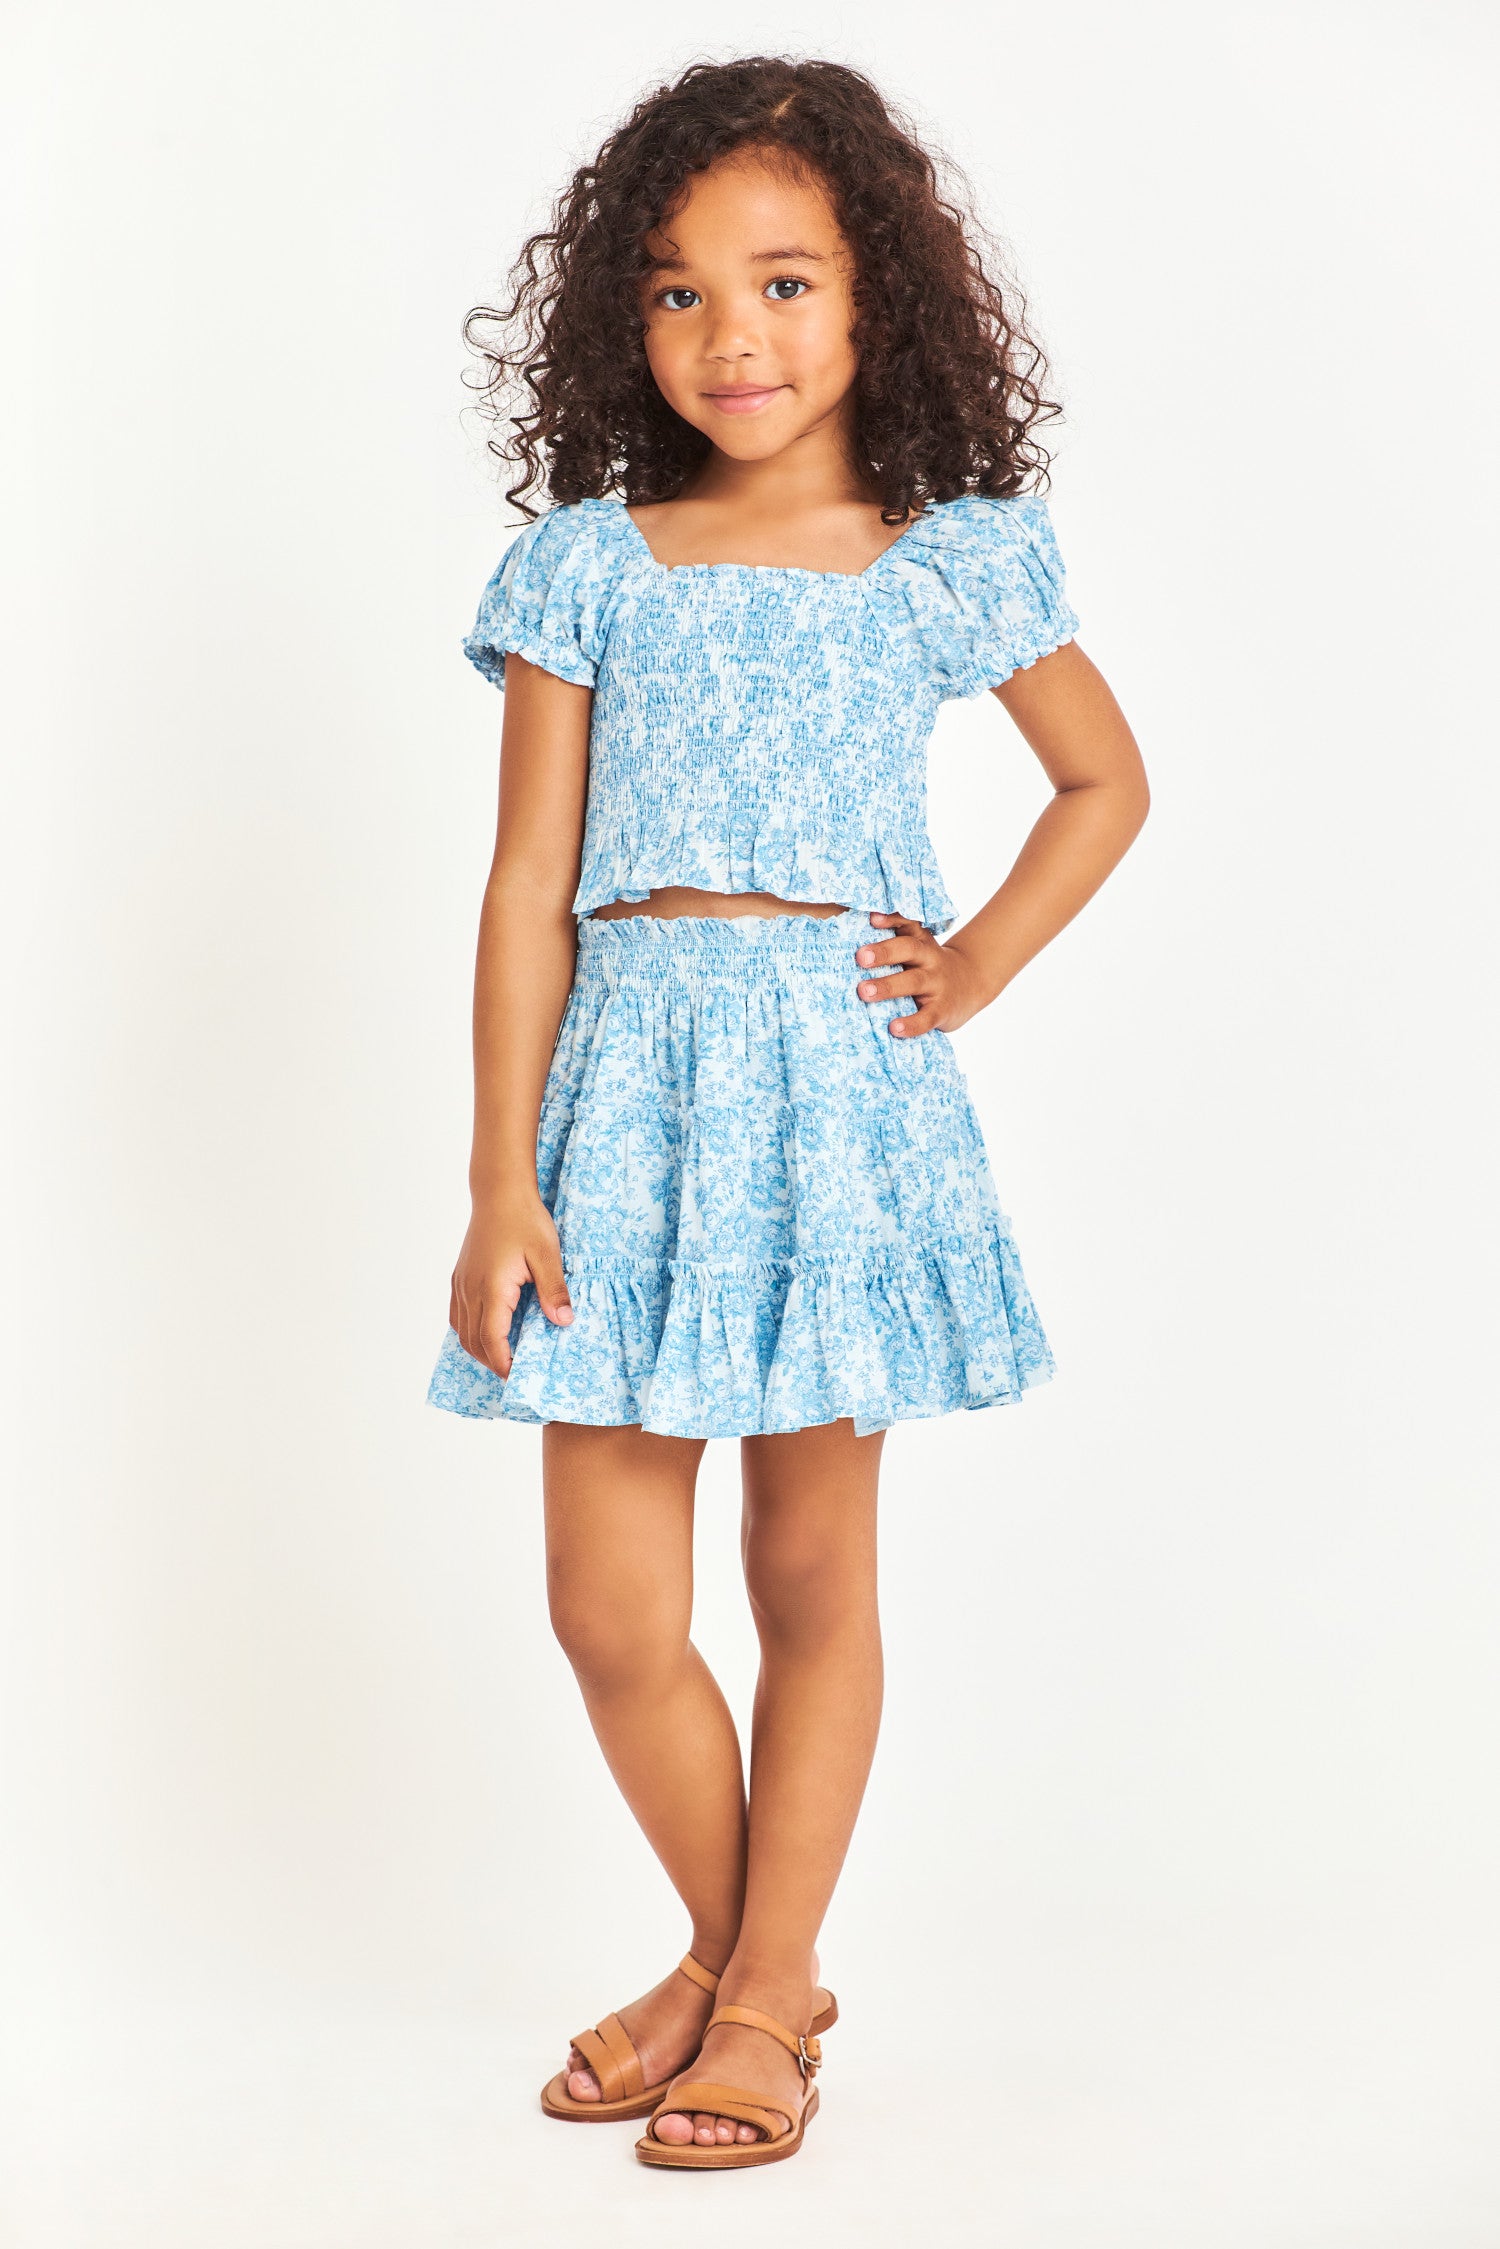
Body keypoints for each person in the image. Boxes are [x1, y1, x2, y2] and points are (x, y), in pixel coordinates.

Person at [426, 55, 1149, 2171]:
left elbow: (1105, 782)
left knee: (810, 1568)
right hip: (625, 1105)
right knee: (610, 1608)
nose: (730, 334)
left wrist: (974, 961)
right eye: (676, 292)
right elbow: (525, 889)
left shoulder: (943, 558)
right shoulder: (588, 565)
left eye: (784, 282)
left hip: (838, 1098)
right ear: (623, 321)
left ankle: (748, 1996)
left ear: (876, 298)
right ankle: (752, 1964)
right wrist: (496, 1176)